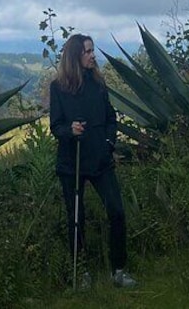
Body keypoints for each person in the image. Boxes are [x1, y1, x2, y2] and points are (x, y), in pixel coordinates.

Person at [49, 33, 137, 288]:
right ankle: (81, 273)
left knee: (117, 212)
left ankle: (118, 270)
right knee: (76, 218)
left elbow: (111, 117)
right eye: (88, 51)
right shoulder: (58, 88)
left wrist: (109, 143)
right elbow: (56, 125)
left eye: (92, 51)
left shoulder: (99, 84)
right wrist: (70, 130)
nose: (92, 55)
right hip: (72, 162)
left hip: (100, 160)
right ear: (76, 55)